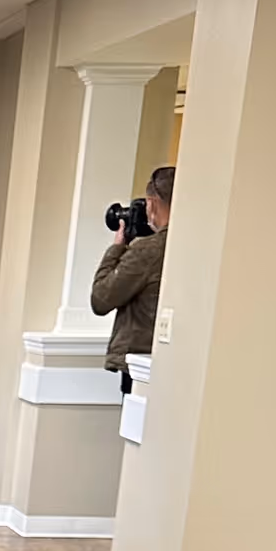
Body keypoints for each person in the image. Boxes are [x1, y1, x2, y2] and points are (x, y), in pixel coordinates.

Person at [92, 166, 173, 393]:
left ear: (152, 203)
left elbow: (101, 298)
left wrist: (117, 247)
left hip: (140, 366)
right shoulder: (191, 244)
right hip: (172, 362)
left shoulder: (147, 251)